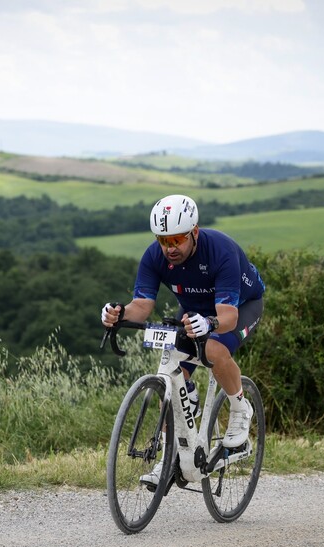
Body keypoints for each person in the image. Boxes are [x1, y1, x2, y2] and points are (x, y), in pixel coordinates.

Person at [101, 194, 265, 486]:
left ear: (194, 232)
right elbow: (142, 305)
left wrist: (210, 323)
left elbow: (227, 316)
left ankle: (241, 408)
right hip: (194, 311)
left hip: (239, 307)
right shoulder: (154, 256)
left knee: (213, 348)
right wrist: (119, 313)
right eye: (163, 240)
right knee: (172, 377)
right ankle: (169, 457)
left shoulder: (221, 251)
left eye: (177, 239)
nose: (170, 248)